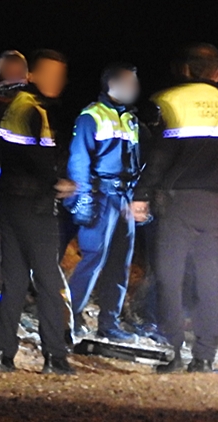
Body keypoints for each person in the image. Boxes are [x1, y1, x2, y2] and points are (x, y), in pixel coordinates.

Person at [133, 43, 218, 374]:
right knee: (210, 278)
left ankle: (173, 351)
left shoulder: (168, 100)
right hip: (216, 204)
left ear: (185, 69)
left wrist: (141, 194)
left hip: (178, 202)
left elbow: (160, 155)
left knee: (169, 276)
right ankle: (205, 356)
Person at [0, 49, 76, 375]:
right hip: (35, 206)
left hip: (9, 202)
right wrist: (60, 183)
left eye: (60, 76)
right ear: (33, 75)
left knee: (13, 281)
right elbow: (38, 162)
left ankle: (2, 356)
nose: (56, 81)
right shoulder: (35, 111)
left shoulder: (15, 106)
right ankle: (55, 358)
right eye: (50, 74)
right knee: (48, 281)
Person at [66, 63, 143, 344]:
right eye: (130, 83)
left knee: (120, 264)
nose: (135, 89)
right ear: (112, 85)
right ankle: (68, 318)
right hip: (101, 196)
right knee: (93, 259)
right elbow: (79, 160)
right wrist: (83, 198)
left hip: (125, 198)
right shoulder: (91, 116)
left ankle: (108, 324)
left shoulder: (131, 120)